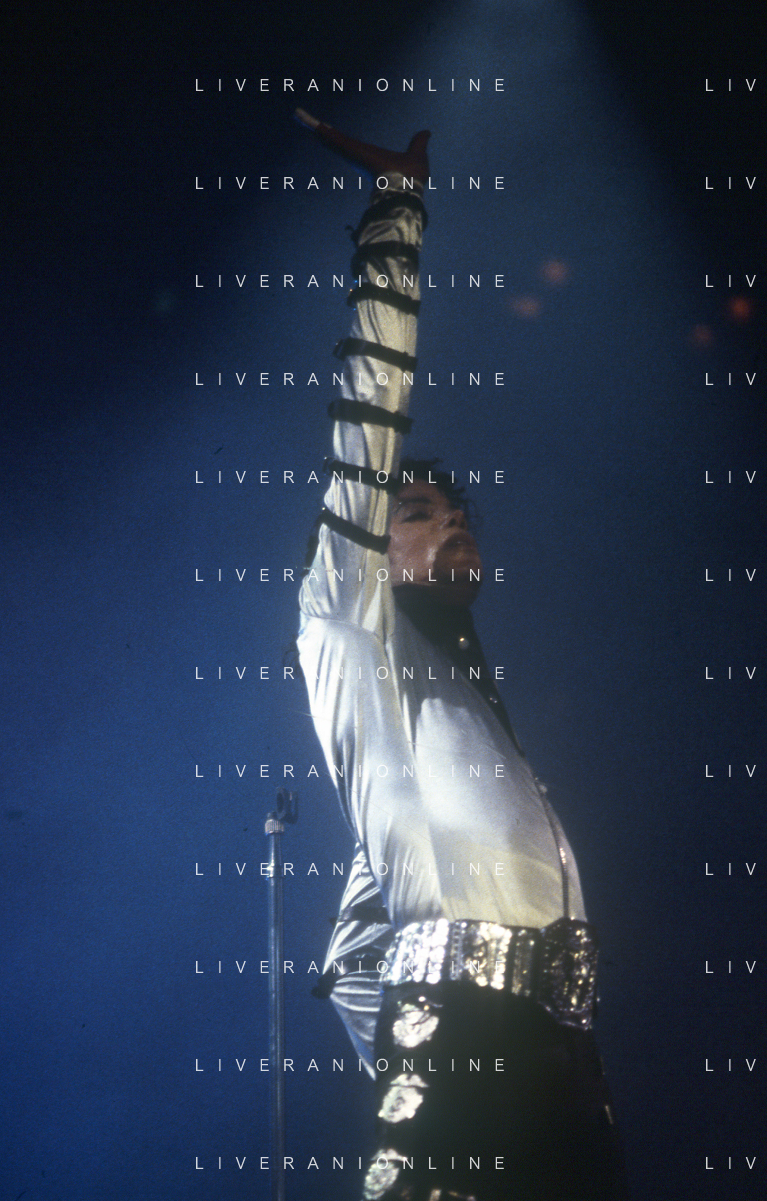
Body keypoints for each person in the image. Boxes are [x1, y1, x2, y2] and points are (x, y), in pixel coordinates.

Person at [295, 110, 629, 1201]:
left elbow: (352, 952)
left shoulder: (459, 707)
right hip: (463, 1050)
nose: (451, 521)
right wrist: (396, 218)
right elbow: (367, 415)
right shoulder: (348, 627)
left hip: (558, 1058)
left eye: (459, 510)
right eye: (420, 511)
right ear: (369, 545)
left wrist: (394, 1025)